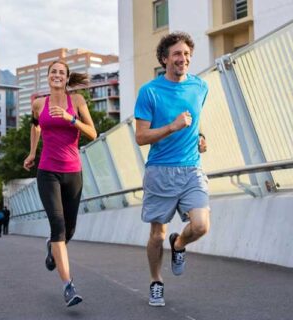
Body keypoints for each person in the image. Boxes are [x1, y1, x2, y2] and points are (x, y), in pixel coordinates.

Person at [134, 32, 210, 307]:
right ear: (165, 58)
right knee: (157, 234)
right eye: (177, 54)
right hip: (160, 171)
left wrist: (201, 138)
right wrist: (172, 127)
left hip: (191, 169)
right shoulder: (149, 92)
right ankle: (156, 281)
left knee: (201, 225)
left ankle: (179, 245)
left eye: (187, 54)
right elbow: (141, 137)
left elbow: (196, 119)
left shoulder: (200, 87)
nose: (183, 59)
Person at [23, 60, 97, 307]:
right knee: (58, 225)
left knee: (70, 229)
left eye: (61, 73)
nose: (57, 75)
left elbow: (92, 133)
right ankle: (68, 286)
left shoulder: (76, 102)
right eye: (53, 72)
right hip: (47, 172)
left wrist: (70, 118)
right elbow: (35, 127)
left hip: (72, 171)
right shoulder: (38, 104)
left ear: (66, 79)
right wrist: (32, 152)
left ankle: (52, 247)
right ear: (48, 77)